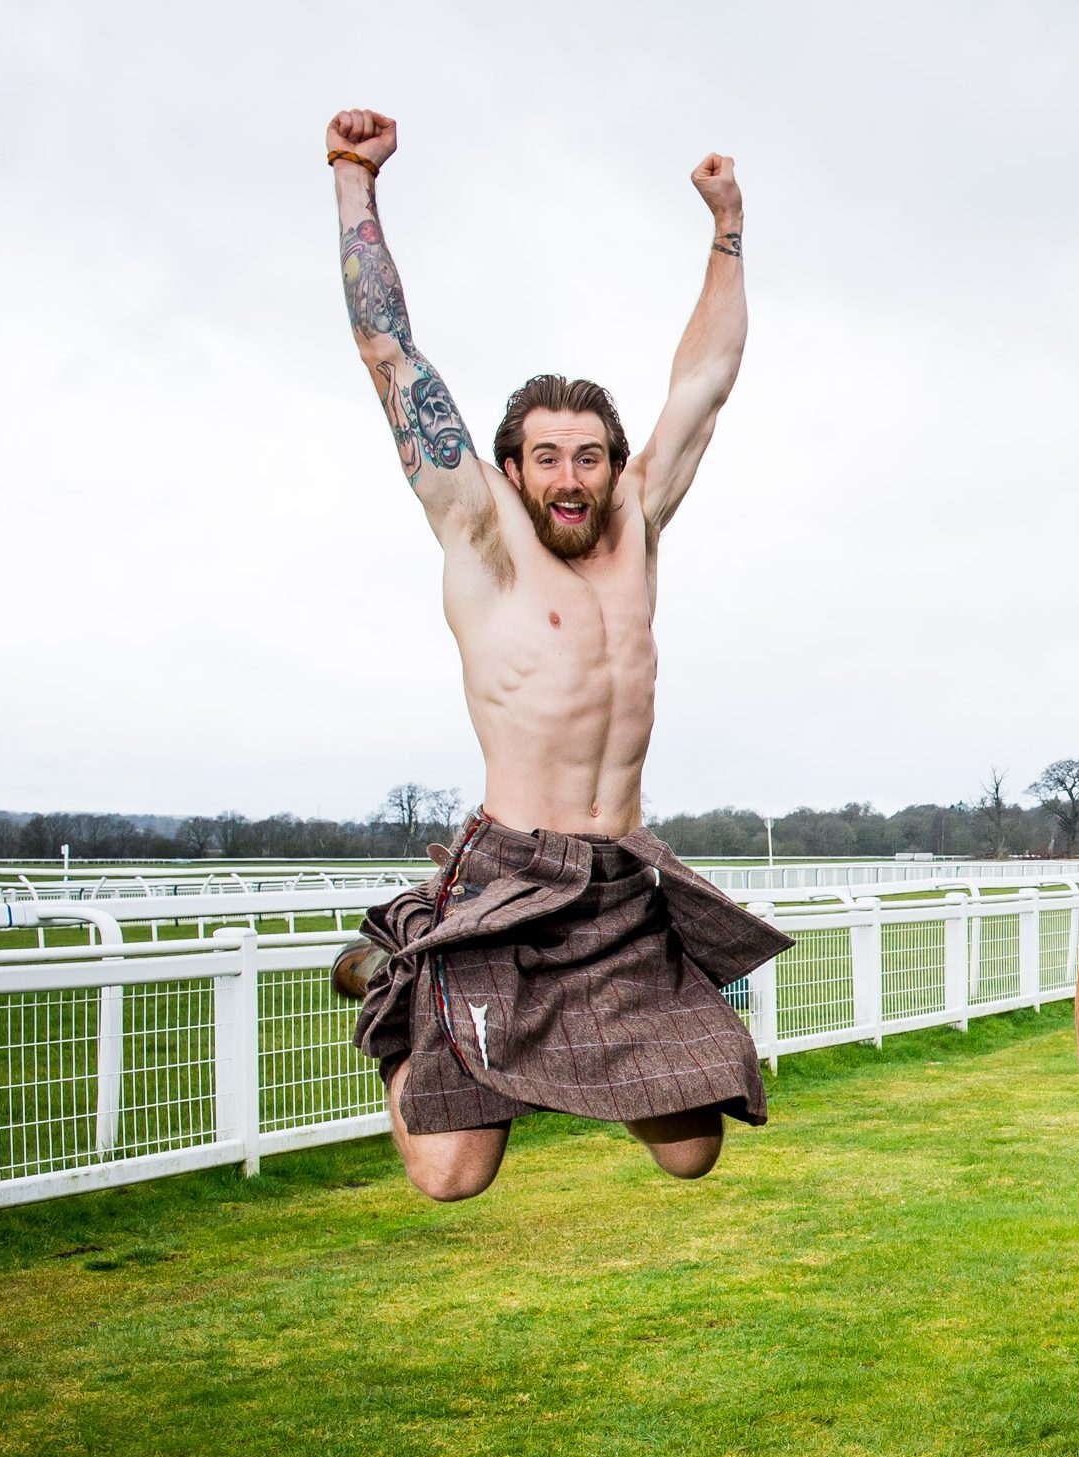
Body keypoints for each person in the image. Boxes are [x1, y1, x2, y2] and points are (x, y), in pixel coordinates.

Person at [319, 108, 789, 1202]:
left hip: (618, 880)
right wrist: (353, 180)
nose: (569, 477)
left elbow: (707, 381)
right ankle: (415, 971)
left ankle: (525, 1027)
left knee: (691, 1143)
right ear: (510, 468)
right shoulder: (479, 536)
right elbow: (389, 352)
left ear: (615, 464)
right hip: (510, 877)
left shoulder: (638, 527)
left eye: (588, 456)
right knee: (449, 1174)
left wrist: (727, 225)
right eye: (546, 458)